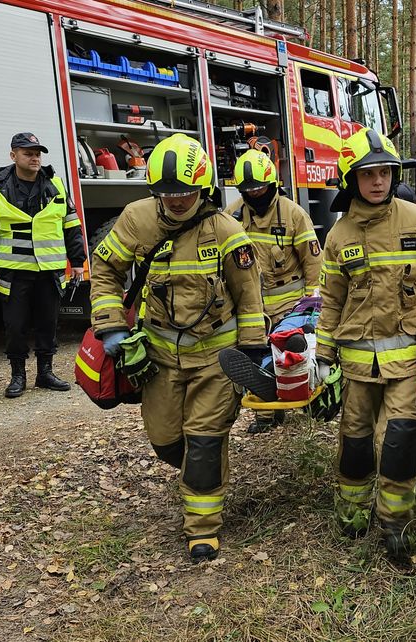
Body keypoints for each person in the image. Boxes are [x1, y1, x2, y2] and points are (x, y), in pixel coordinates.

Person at [88, 134, 264, 563]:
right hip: (161, 358)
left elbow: (249, 294)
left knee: (204, 440)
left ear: (202, 188)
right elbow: (105, 268)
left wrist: (254, 351)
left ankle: (202, 528)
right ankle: (202, 475)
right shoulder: (136, 220)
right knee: (166, 440)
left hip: (216, 359)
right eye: (168, 193)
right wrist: (110, 325)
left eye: (185, 192)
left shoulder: (226, 230)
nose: (177, 200)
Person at [315, 128, 416, 560]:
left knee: (399, 440)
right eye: (368, 174)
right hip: (357, 367)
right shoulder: (339, 235)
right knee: (356, 441)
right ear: (354, 180)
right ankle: (351, 515)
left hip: (409, 362)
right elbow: (331, 300)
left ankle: (395, 526)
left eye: (385, 172)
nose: (378, 181)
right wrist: (322, 354)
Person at [0, 133, 86, 398]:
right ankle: (17, 375)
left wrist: (77, 261)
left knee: (48, 323)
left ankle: (45, 373)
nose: (34, 158)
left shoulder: (54, 183)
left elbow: (71, 225)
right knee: (15, 326)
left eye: (37, 153)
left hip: (49, 270)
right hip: (14, 270)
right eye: (27, 153)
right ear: (13, 156)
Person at [222, 149, 320, 433]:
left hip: (290, 305)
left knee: (290, 352)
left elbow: (313, 261)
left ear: (273, 184)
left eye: (260, 188)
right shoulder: (233, 216)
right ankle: (265, 415)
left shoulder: (293, 214)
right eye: (248, 190)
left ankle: (307, 396)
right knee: (255, 355)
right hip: (251, 306)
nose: (255, 195)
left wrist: (314, 300)